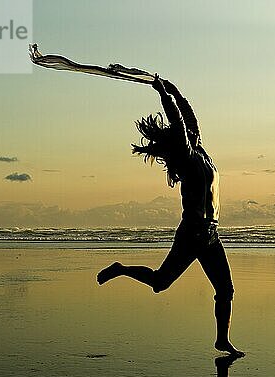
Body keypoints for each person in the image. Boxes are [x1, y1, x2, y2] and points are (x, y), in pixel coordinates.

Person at [97, 75, 244, 357]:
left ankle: (222, 340)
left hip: (211, 235)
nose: (191, 133)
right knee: (160, 283)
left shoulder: (202, 151)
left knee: (226, 289)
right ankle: (121, 269)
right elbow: (179, 123)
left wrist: (175, 90)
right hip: (192, 233)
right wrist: (164, 95)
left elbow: (189, 119)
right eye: (187, 135)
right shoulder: (188, 157)